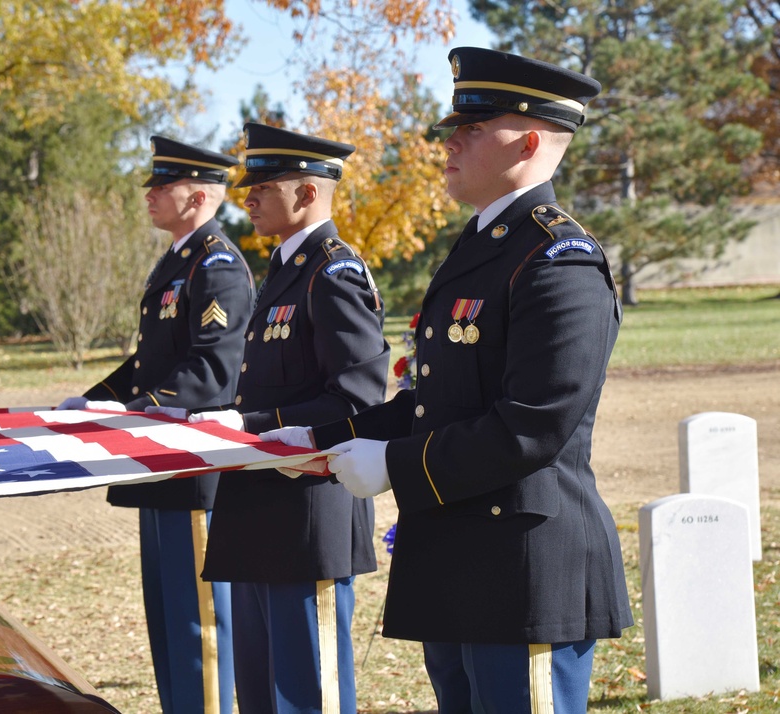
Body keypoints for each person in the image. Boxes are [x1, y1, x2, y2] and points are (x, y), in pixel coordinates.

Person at [263, 48, 634, 713]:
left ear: (525, 141)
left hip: (525, 568)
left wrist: (393, 465)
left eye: (472, 126)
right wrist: (315, 438)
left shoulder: (558, 259)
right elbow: (435, 402)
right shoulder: (483, 247)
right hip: (462, 556)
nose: (450, 140)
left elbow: (533, 425)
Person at [155, 122, 390, 714]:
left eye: (263, 185)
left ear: (308, 193)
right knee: (261, 694)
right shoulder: (285, 270)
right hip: (260, 509)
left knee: (306, 693)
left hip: (309, 515)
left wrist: (249, 424)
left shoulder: (333, 272)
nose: (248, 197)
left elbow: (358, 399)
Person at [57, 136, 253, 714]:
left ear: (196, 198)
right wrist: (94, 401)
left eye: (161, 186)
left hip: (191, 469)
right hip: (157, 463)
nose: (149, 195)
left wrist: (134, 409)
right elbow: (150, 363)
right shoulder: (177, 262)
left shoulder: (217, 265)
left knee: (199, 632)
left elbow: (213, 368)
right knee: (168, 621)